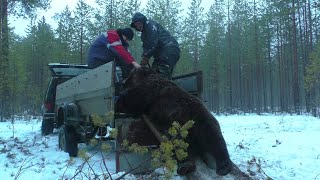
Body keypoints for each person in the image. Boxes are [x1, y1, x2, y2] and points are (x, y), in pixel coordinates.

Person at [130, 12, 180, 79]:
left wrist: (146, 57)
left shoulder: (150, 25)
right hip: (160, 53)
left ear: (143, 21)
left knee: (163, 72)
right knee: (154, 73)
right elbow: (146, 47)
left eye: (139, 23)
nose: (138, 26)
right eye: (136, 25)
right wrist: (144, 57)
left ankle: (165, 87)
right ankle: (163, 86)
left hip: (169, 48)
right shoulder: (143, 35)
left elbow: (153, 41)